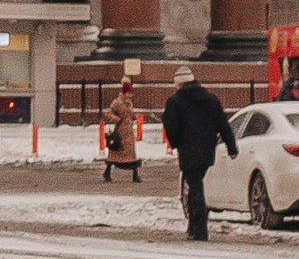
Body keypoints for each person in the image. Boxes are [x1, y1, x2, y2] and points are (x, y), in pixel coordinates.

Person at [159, 64, 237, 240]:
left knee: (195, 188)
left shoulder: (175, 102)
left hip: (188, 150)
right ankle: (194, 227)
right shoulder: (211, 99)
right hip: (207, 150)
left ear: (179, 84)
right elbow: (223, 125)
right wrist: (232, 147)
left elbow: (171, 126)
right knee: (195, 186)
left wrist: (176, 143)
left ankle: (199, 229)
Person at [101, 75, 143, 182]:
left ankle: (135, 174)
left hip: (128, 131)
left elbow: (128, 114)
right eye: (129, 93)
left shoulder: (128, 103)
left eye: (131, 93)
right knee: (116, 154)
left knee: (131, 154)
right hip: (120, 132)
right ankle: (107, 172)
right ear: (124, 93)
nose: (130, 95)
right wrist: (116, 118)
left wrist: (133, 116)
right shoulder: (117, 102)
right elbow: (108, 113)